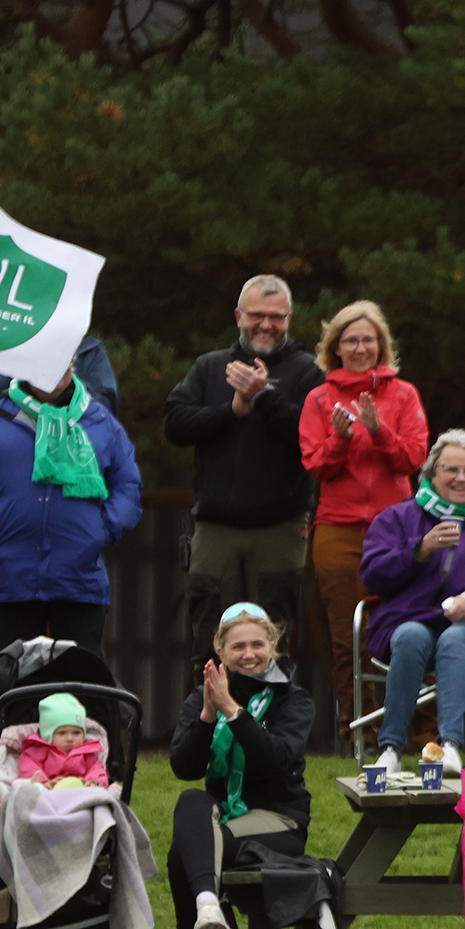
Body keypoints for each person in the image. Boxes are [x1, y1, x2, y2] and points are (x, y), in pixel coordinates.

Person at [156, 603, 315, 929]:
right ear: (220, 651)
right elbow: (184, 767)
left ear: (273, 646)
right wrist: (208, 717)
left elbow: (276, 761)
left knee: (186, 849)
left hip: (279, 819)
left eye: (257, 644)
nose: (248, 654)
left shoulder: (293, 699)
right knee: (191, 800)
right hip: (224, 814)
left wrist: (232, 710)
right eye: (238, 646)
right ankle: (208, 906)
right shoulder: (202, 696)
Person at [163, 274, 326, 656]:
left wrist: (263, 397)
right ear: (238, 315)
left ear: (289, 319)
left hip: (280, 528)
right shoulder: (210, 367)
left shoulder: (307, 371)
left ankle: (269, 700)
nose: (266, 325)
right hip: (216, 528)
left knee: (272, 642)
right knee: (210, 637)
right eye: (257, 315)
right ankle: (209, 697)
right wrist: (231, 410)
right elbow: (174, 424)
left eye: (276, 317)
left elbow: (312, 435)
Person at [361, 430, 465, 776]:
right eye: (451, 469)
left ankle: (450, 746)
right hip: (409, 619)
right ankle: (391, 749)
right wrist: (419, 550)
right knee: (410, 637)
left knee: (454, 640)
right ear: (431, 473)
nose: (461, 478)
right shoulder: (398, 517)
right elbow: (372, 575)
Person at [0, 365, 143, 661]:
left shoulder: (99, 420)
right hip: (10, 579)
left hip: (79, 579)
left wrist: (101, 529)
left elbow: (128, 486)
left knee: (82, 679)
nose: (52, 370)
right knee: (5, 678)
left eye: (61, 361)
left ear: (73, 364)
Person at [298, 300, 430, 731]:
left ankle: (423, 731)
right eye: (350, 340)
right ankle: (361, 730)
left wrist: (378, 430)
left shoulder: (404, 394)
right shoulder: (319, 399)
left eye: (368, 340)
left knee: (413, 623)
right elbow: (316, 466)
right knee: (348, 635)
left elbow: (413, 459)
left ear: (381, 346)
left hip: (398, 529)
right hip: (337, 529)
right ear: (335, 348)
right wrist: (340, 438)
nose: (359, 348)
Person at [0, 333, 120, 417]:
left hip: (73, 452)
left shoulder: (90, 352)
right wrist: (26, 362)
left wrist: (67, 384)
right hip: (14, 446)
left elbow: (106, 411)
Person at [17, 693, 111, 790]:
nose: (70, 738)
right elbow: (29, 768)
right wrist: (43, 783)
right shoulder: (37, 751)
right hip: (49, 793)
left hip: (80, 792)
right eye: (62, 733)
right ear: (48, 736)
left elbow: (97, 770)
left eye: (76, 733)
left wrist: (93, 782)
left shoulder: (87, 753)